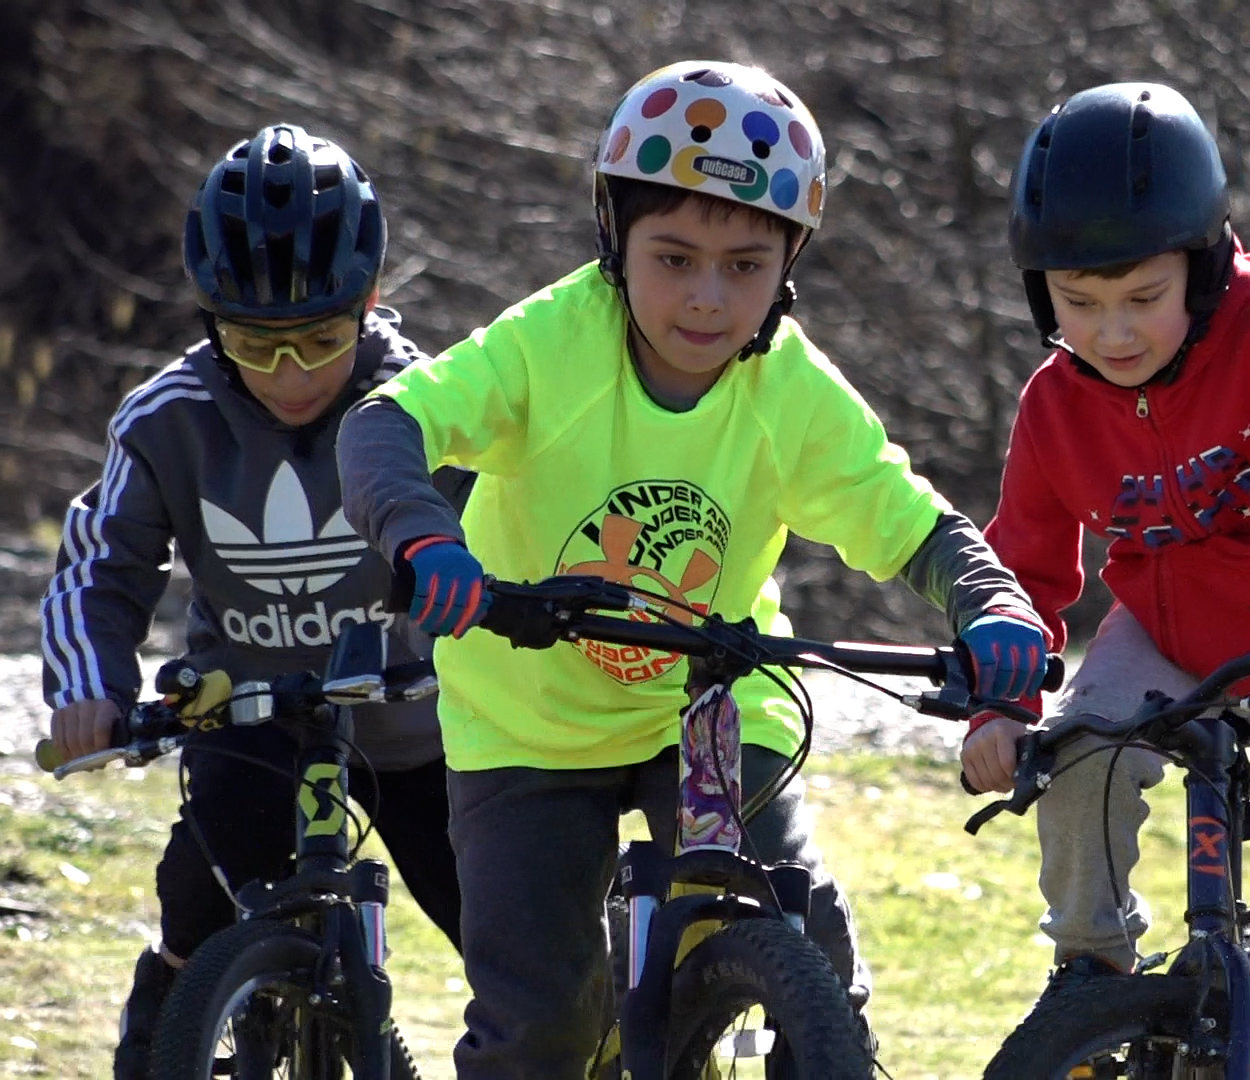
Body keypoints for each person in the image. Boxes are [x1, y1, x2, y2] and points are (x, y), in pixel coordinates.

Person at [335, 60, 1048, 1077]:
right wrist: (423, 536)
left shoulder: (789, 389)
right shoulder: (550, 345)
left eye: (745, 265)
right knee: (541, 1029)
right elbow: (386, 423)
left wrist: (990, 601)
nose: (709, 299)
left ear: (789, 263)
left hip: (711, 703)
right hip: (525, 720)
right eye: (673, 258)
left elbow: (906, 519)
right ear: (613, 238)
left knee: (792, 940)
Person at [963, 82, 1250, 1080]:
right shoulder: (1055, 404)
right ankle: (1090, 974)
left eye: (1142, 299)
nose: (1113, 333)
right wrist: (998, 702)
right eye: (1079, 304)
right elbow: (1024, 569)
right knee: (1080, 750)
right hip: (1166, 638)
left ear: (1204, 270)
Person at [39, 124, 467, 1079]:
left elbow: (515, 538)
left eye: (322, 340)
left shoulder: (433, 401)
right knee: (199, 906)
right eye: (254, 345)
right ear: (209, 323)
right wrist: (88, 688)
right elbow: (101, 565)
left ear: (370, 302)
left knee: (522, 950)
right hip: (251, 717)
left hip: (423, 730)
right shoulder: (168, 419)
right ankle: (169, 1025)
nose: (291, 375)